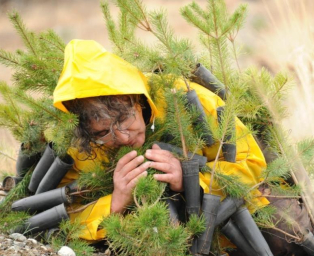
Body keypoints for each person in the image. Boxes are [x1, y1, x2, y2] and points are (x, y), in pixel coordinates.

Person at [52, 39, 269, 242]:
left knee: (281, 239)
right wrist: (114, 203)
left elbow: (251, 163)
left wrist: (191, 180)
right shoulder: (78, 150)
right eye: (102, 133)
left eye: (125, 119)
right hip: (157, 243)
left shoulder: (181, 97)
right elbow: (62, 217)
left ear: (137, 99)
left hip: (237, 225)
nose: (123, 137)